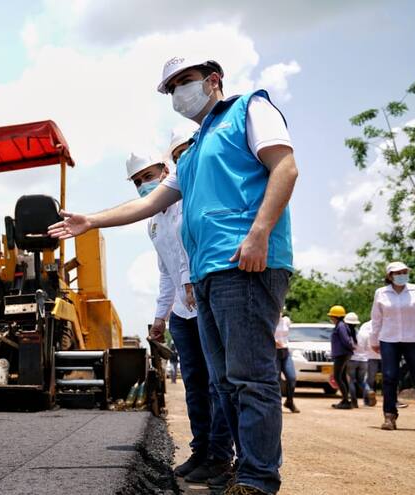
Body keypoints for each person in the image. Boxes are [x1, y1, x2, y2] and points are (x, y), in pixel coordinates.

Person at [49, 56, 299, 494]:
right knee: (224, 383)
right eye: (171, 88)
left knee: (249, 377)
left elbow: (285, 167)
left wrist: (259, 234)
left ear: (213, 80)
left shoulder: (248, 110)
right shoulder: (195, 150)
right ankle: (241, 470)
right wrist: (90, 220)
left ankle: (259, 479)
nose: (179, 93)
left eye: (185, 81)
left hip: (245, 262)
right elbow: (147, 204)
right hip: (208, 275)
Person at [127, 146, 233, 485]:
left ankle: (220, 455)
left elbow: (195, 249)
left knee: (219, 385)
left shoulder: (190, 202)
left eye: (148, 176)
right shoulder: (154, 223)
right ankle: (201, 450)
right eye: (138, 181)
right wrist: (161, 316)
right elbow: (164, 271)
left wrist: (190, 283)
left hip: (204, 304)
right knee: (195, 386)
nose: (144, 184)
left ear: (166, 170)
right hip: (181, 315)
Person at [370, 261, 415, 430]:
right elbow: (376, 319)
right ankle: (389, 416)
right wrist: (373, 340)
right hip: (389, 339)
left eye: (403, 272)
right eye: (397, 273)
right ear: (389, 276)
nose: (401, 275)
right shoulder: (381, 293)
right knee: (389, 377)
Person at [328, 305, 355, 409]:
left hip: (342, 354)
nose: (331, 318)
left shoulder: (341, 326)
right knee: (342, 377)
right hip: (342, 354)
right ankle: (345, 400)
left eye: (332, 316)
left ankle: (346, 400)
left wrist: (350, 347)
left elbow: (345, 340)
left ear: (335, 317)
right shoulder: (341, 325)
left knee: (337, 377)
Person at [274, 312, 299, 413]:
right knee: (276, 379)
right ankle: (276, 404)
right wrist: (274, 341)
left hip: (285, 351)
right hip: (274, 352)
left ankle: (289, 401)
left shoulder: (286, 320)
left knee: (292, 377)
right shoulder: (271, 320)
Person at [345, 312, 366, 408]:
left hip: (352, 360)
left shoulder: (347, 335)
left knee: (352, 381)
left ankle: (354, 402)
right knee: (361, 381)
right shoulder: (363, 334)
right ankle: (369, 391)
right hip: (364, 360)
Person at [357, 320, 380, 406]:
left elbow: (361, 342)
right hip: (384, 355)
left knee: (369, 379)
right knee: (389, 379)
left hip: (370, 356)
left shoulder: (366, 326)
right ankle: (392, 401)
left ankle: (367, 400)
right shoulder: (386, 323)